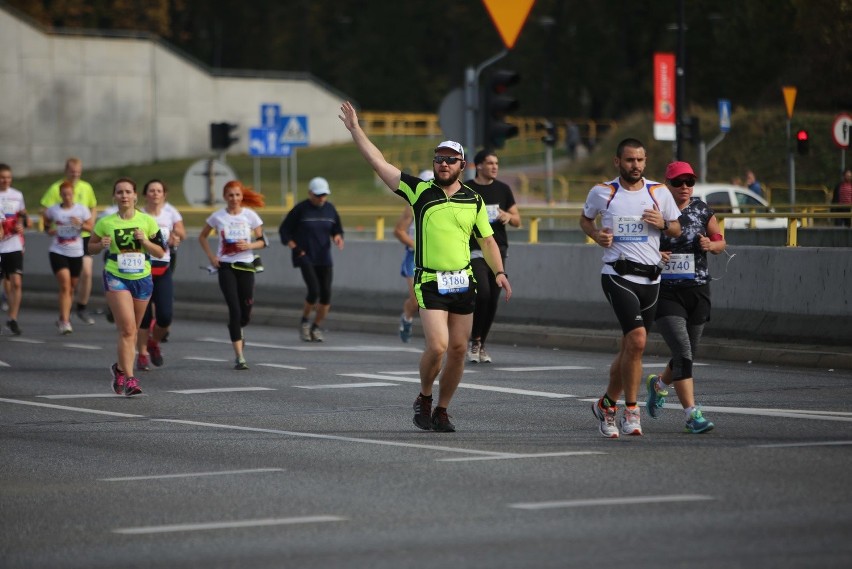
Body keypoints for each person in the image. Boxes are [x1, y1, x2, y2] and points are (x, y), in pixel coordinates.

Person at [340, 101, 511, 433]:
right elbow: (379, 162)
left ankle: (443, 410)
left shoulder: (472, 200)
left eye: (450, 160)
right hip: (430, 280)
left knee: (460, 350)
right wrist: (355, 130)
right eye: (438, 158)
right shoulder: (420, 191)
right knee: (438, 346)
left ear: (463, 165)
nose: (443, 163)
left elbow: (488, 241)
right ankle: (424, 397)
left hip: (464, 280)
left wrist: (500, 273)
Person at [580, 138, 681, 438]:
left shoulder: (659, 192)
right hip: (617, 274)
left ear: (645, 161)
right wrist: (597, 235)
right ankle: (630, 411)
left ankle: (606, 404)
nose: (634, 166)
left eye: (639, 160)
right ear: (617, 162)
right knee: (637, 341)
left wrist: (662, 223)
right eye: (629, 161)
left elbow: (676, 228)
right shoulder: (604, 192)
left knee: (629, 348)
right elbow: (585, 221)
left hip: (652, 279)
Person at [645, 161, 724, 434]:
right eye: (678, 183)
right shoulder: (655, 209)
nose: (685, 188)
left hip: (698, 291)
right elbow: (638, 243)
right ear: (668, 184)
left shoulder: (702, 209)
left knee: (687, 352)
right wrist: (657, 254)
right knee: (683, 351)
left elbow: (720, 240)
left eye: (689, 182)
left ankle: (659, 385)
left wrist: (710, 244)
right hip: (665, 291)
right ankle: (692, 415)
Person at [88, 178, 165, 396]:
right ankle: (131, 379)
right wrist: (99, 245)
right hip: (116, 276)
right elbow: (90, 248)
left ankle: (120, 369)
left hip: (142, 277)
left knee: (134, 329)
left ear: (135, 196)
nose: (124, 196)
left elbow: (160, 252)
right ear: (114, 196)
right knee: (128, 329)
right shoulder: (105, 222)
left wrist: (146, 242)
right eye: (119, 192)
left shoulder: (147, 221)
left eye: (128, 192)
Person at [199, 180, 266, 370]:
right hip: (226, 266)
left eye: (237, 195)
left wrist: (250, 245)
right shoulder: (218, 217)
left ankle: (239, 329)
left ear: (242, 196)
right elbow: (202, 236)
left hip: (246, 265)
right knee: (234, 310)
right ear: (224, 197)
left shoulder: (250, 216)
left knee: (246, 311)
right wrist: (212, 257)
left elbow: (262, 241)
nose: (234, 199)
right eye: (230, 195)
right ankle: (239, 356)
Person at [466, 150, 521, 363]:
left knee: (493, 301)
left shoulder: (503, 189)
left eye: (497, 163)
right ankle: (474, 340)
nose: (494, 167)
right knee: (483, 294)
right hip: (475, 251)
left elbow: (518, 220)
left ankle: (481, 343)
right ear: (479, 166)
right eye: (490, 163)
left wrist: (508, 216)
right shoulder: (468, 189)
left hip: (499, 251)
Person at [278, 176, 344, 342]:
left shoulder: (330, 209)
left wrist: (337, 237)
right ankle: (305, 321)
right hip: (305, 255)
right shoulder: (301, 209)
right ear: (310, 194)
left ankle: (316, 326)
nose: (322, 198)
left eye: (324, 195)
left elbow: (337, 228)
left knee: (326, 295)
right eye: (318, 195)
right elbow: (284, 231)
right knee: (314, 291)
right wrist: (295, 247)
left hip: (324, 256)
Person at [41, 158, 98, 325]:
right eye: (73, 171)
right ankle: (65, 317)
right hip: (61, 245)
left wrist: (87, 224)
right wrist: (50, 227)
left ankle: (81, 306)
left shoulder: (86, 187)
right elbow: (45, 210)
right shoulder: (55, 188)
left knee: (84, 274)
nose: (76, 174)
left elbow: (93, 207)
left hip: (83, 239)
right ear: (66, 170)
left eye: (78, 171)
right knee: (67, 283)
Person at [135, 180, 185, 370]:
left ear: (164, 194)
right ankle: (142, 354)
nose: (155, 194)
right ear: (145, 194)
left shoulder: (170, 213)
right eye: (151, 191)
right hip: (142, 268)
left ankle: (154, 342)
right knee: (145, 317)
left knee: (165, 316)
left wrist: (175, 236)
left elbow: (182, 232)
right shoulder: (139, 214)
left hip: (163, 267)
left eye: (159, 191)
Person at [392, 169, 432, 343]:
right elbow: (399, 231)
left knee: (434, 300)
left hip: (435, 259)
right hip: (414, 258)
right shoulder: (412, 206)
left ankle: (434, 338)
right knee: (416, 301)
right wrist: (416, 246)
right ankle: (407, 317)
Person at [0, 163, 27, 335]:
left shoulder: (17, 195)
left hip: (14, 244)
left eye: (8, 177)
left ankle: (13, 318)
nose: (6, 180)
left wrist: (21, 225)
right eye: (2, 177)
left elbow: (23, 215)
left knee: (16, 282)